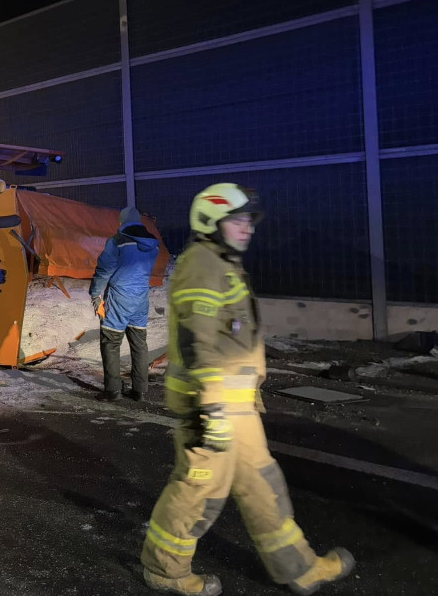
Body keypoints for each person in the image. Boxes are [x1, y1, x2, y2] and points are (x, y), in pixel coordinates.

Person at [141, 183, 354, 596]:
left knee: (262, 483)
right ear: (212, 221)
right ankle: (165, 570)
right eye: (238, 220)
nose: (248, 228)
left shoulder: (222, 265)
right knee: (199, 487)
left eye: (249, 220)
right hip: (214, 405)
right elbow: (197, 338)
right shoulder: (203, 264)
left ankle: (299, 567)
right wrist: (214, 409)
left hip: (236, 404)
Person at [89, 206, 160, 402]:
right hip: (141, 299)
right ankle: (140, 391)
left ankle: (113, 391)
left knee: (111, 343)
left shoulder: (117, 241)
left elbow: (104, 270)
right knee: (139, 345)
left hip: (119, 299)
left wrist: (95, 295)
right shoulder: (153, 244)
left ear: (122, 222)